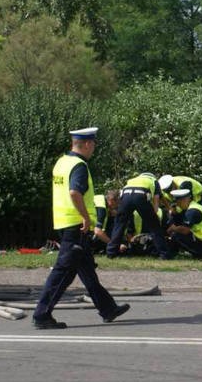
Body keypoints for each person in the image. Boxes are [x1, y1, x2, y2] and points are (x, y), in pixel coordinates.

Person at [32, 127, 130, 329]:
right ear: (86, 144)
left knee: (86, 270)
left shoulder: (61, 162)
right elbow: (75, 192)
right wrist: (85, 217)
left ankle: (108, 308)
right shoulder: (79, 166)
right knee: (62, 272)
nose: (94, 148)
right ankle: (41, 315)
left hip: (66, 223)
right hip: (76, 226)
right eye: (93, 144)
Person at [106, 172, 172, 259]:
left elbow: (122, 196)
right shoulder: (154, 181)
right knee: (154, 227)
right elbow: (157, 202)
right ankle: (164, 254)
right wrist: (154, 215)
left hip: (126, 196)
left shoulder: (133, 180)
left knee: (119, 225)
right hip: (141, 196)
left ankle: (111, 253)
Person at [166, 189, 202, 259]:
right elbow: (181, 220)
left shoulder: (192, 211)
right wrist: (174, 214)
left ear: (185, 200)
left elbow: (185, 230)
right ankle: (170, 255)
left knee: (177, 235)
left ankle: (201, 254)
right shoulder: (194, 206)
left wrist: (173, 229)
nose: (178, 205)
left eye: (178, 203)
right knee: (178, 233)